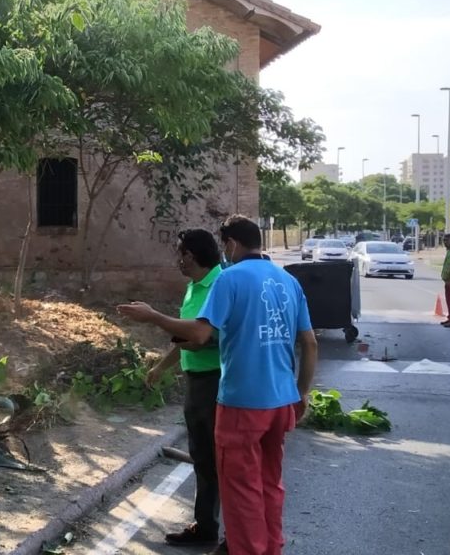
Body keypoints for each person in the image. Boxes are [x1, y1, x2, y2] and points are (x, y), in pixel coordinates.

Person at [117, 215, 319, 555]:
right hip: (281, 400)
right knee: (270, 483)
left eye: (225, 245)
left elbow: (198, 334)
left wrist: (151, 315)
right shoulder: (287, 280)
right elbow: (310, 343)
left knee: (241, 488)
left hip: (242, 403)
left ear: (232, 244)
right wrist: (302, 393)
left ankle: (246, 550)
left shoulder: (230, 279)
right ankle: (270, 547)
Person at [144, 229, 224, 547]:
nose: (177, 259)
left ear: (190, 255)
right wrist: (161, 367)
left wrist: (152, 317)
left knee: (224, 462)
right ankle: (205, 528)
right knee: (203, 458)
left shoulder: (222, 284)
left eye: (179, 252)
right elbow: (187, 337)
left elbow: (207, 336)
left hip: (219, 382)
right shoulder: (194, 288)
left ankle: (237, 534)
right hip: (196, 383)